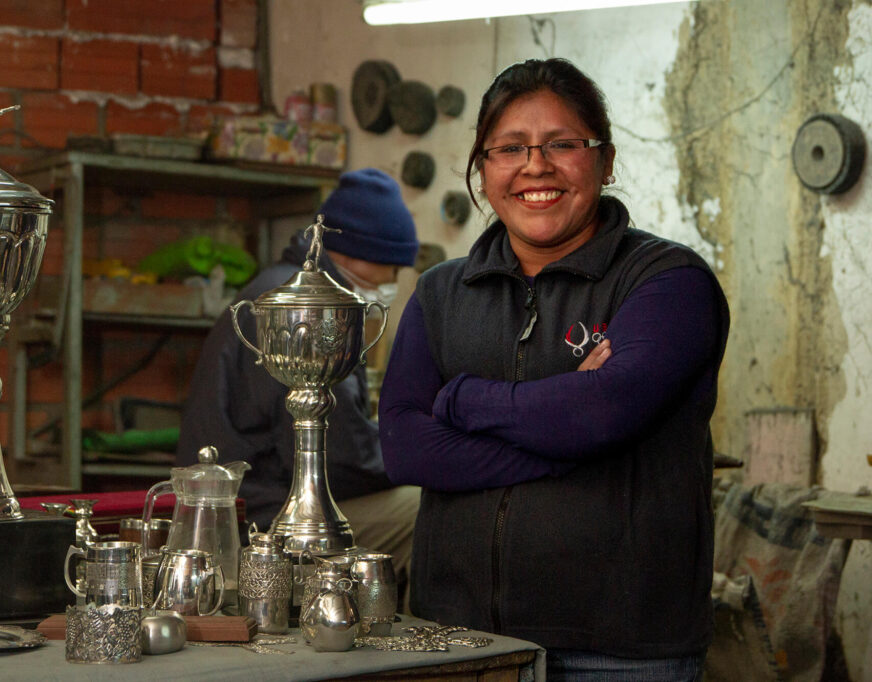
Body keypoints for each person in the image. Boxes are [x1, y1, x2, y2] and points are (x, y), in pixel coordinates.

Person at [378, 58, 730, 682]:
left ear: (605, 159)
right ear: (484, 169)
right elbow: (406, 449)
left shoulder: (666, 282)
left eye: (562, 144)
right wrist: (566, 439)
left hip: (619, 651)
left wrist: (462, 402)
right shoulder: (440, 295)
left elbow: (599, 414)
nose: (535, 166)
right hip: (456, 642)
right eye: (510, 147)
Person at [176, 168, 421, 585]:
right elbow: (342, 459)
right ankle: (427, 646)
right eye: (390, 268)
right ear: (352, 250)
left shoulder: (275, 288)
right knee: (427, 509)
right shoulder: (313, 309)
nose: (392, 283)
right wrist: (427, 453)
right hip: (262, 517)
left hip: (255, 498)